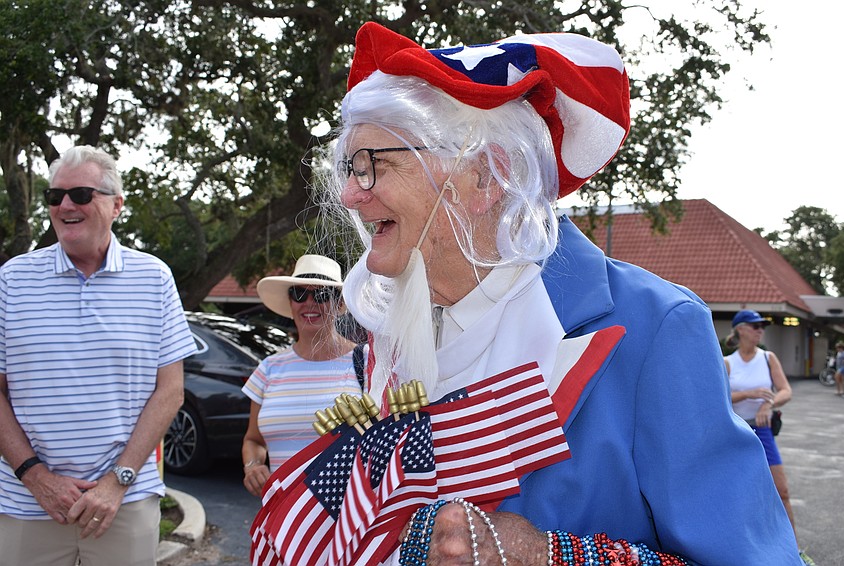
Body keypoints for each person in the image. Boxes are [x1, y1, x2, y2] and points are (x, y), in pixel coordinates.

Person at [260, 23, 802, 565]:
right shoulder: (393, 336)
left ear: (485, 176)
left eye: (373, 165)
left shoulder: (653, 327)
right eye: (348, 170)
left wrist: (551, 556)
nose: (352, 195)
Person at [0, 145, 197, 566]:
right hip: (27, 504)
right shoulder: (12, 280)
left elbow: (171, 392)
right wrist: (36, 478)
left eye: (81, 195)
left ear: (116, 205)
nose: (65, 205)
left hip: (124, 503)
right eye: (55, 197)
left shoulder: (154, 277)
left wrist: (117, 481)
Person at [241, 254, 362, 497]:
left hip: (347, 518)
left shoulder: (366, 363)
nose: (309, 303)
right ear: (290, 302)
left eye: (321, 295)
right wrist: (253, 467)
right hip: (283, 518)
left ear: (339, 305)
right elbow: (253, 440)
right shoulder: (268, 369)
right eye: (299, 294)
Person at [723, 310, 811, 563]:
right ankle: (742, 551)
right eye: (754, 325)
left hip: (763, 431)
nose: (760, 329)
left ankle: (794, 552)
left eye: (762, 326)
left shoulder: (768, 357)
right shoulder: (728, 362)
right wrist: (748, 394)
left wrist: (768, 404)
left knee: (781, 491)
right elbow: (719, 398)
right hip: (736, 432)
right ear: (740, 329)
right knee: (739, 495)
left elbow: (785, 390)